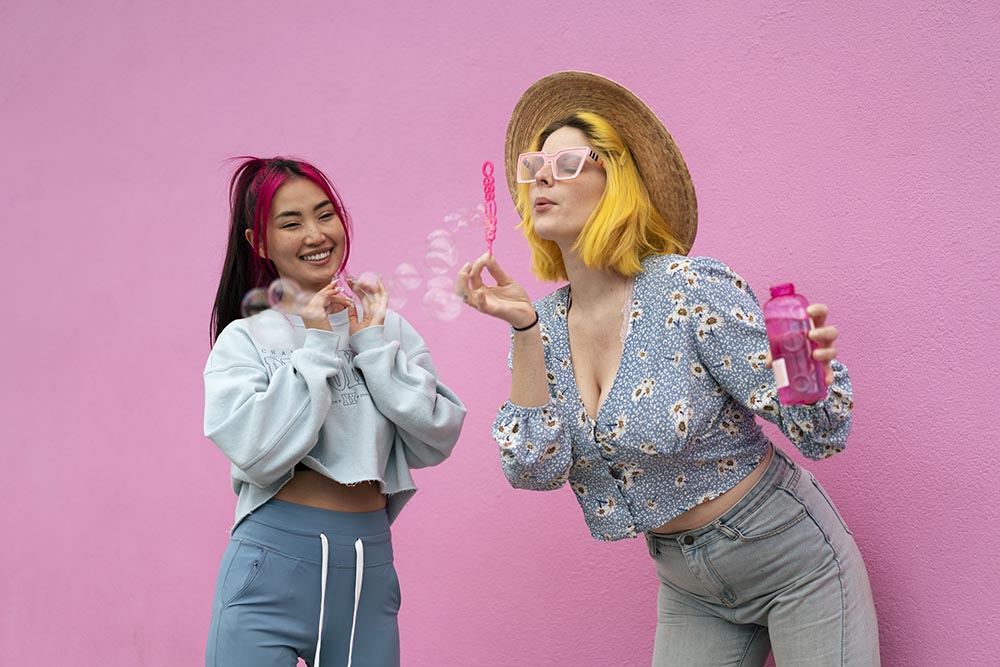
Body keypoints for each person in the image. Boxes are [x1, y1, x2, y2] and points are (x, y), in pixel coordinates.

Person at [457, 72, 879, 666]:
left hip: (792, 559)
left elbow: (821, 434)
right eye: (534, 166)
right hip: (689, 584)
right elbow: (532, 469)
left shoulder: (687, 289)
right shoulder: (543, 327)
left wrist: (803, 369)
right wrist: (523, 331)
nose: (542, 177)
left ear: (617, 180)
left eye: (569, 161)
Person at [204, 156, 466, 667]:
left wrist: (369, 344)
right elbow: (257, 452)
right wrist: (319, 344)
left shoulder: (384, 328)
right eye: (290, 222)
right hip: (271, 562)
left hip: (367, 567)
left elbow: (438, 434)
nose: (315, 233)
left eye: (325, 215)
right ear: (258, 244)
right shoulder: (245, 340)